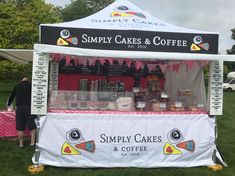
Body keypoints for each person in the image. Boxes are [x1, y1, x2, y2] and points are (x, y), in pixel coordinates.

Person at [6, 77, 36, 148]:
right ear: (28, 80)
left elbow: (11, 96)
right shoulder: (32, 85)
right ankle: (32, 143)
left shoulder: (17, 85)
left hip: (19, 108)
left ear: (21, 80)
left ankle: (21, 144)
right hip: (30, 108)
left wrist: (8, 104)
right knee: (32, 126)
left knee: (20, 127)